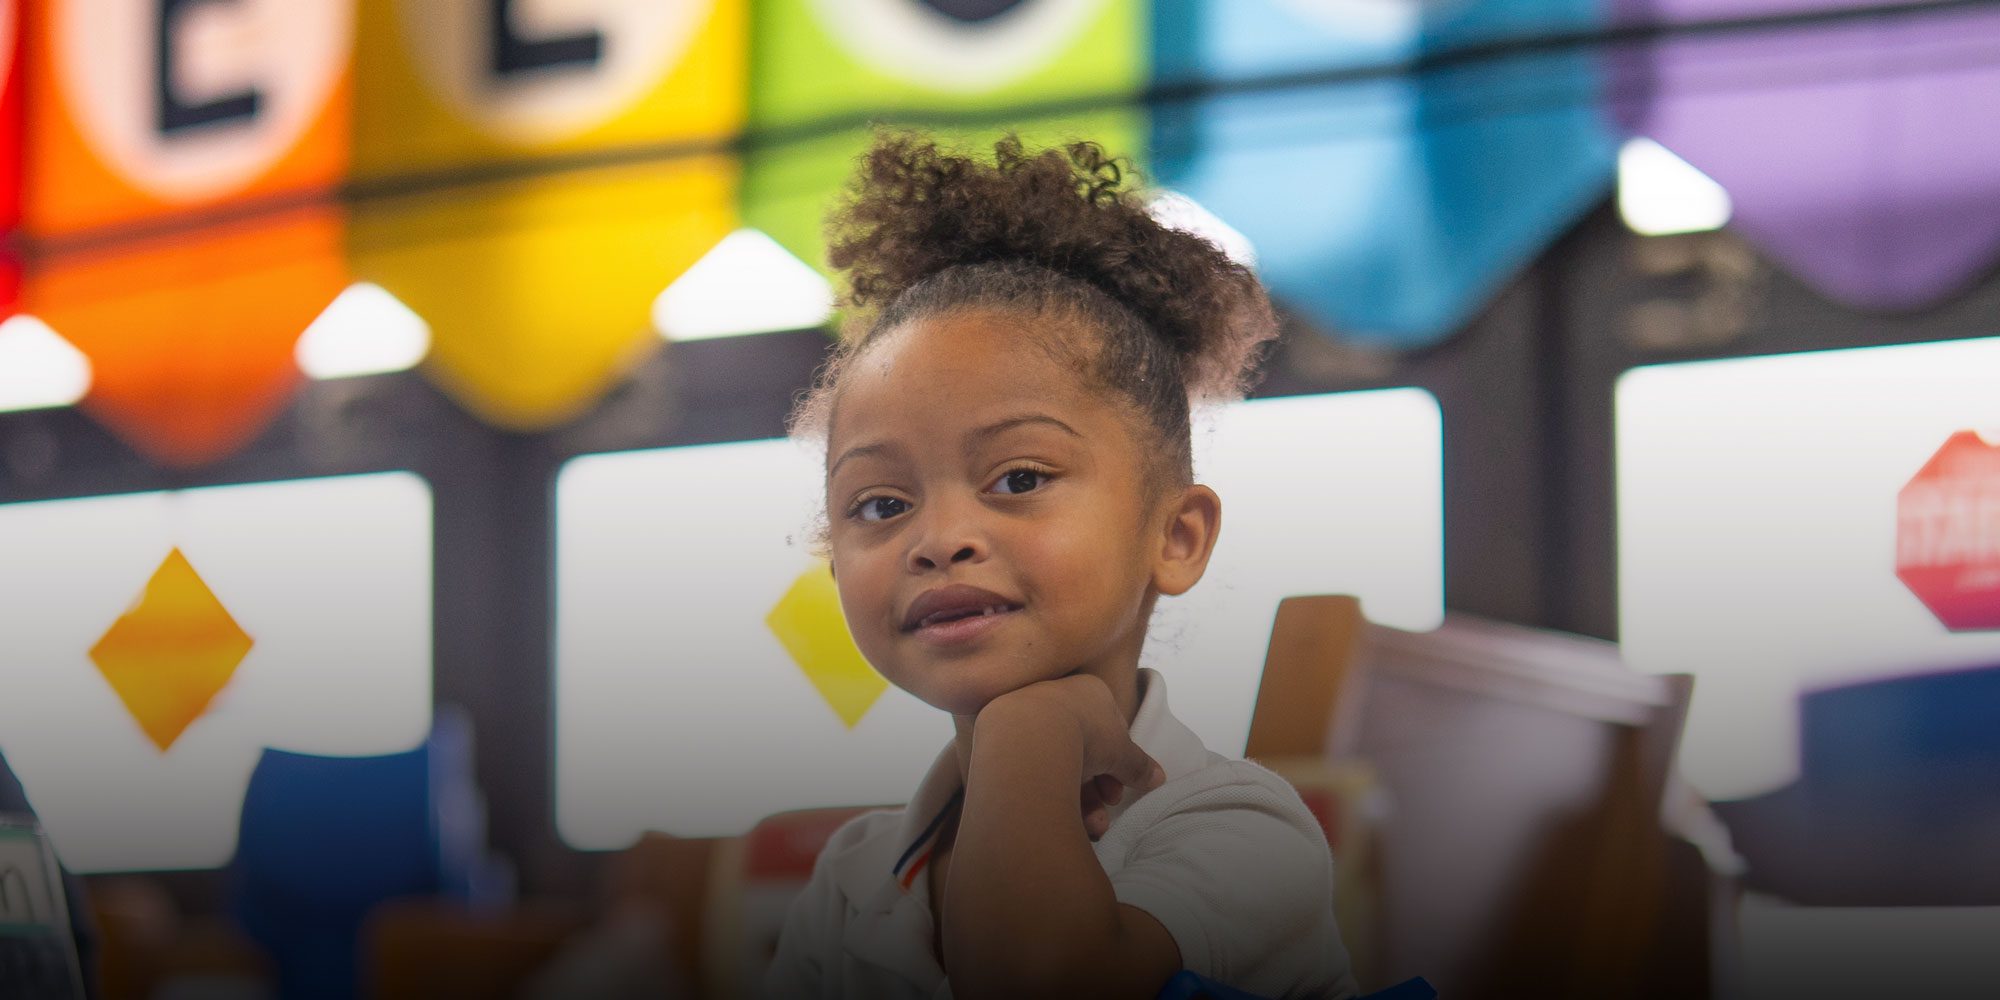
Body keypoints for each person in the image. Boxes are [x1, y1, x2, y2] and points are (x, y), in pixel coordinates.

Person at [764, 131, 1358, 1000]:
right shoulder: (850, 879)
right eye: (882, 505)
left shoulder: (1241, 828)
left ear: (1177, 536)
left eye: (1019, 478)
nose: (940, 538)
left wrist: (1030, 735)